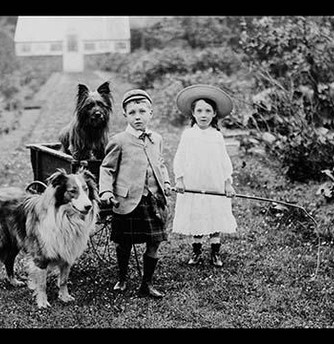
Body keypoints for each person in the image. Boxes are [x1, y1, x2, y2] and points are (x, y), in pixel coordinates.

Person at [99, 89, 171, 298]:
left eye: (142, 111)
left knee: (155, 241)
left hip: (153, 199)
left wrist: (165, 181)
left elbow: (160, 163)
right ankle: (122, 278)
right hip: (128, 199)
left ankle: (146, 283)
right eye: (132, 113)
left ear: (151, 113)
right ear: (125, 116)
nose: (137, 116)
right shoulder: (119, 140)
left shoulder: (156, 138)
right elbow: (107, 168)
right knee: (124, 243)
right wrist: (105, 191)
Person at [172, 84, 237, 267]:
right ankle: (197, 251)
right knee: (197, 214)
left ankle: (215, 253)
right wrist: (180, 179)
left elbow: (224, 161)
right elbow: (180, 157)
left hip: (213, 182)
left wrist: (227, 183)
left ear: (214, 114)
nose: (203, 115)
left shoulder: (216, 136)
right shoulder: (188, 135)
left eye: (208, 111)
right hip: (194, 181)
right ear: (193, 113)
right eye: (199, 110)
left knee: (214, 213)